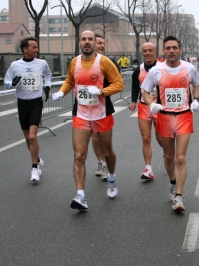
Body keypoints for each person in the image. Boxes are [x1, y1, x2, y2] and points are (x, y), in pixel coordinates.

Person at [52, 30, 124, 210]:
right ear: (79, 43)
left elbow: (119, 84)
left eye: (90, 39)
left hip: (101, 114)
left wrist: (101, 92)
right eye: (83, 39)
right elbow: (70, 80)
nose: (86, 42)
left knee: (107, 153)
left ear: (94, 43)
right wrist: (62, 91)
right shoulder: (74, 62)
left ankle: (112, 177)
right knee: (79, 155)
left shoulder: (104, 62)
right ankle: (80, 195)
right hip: (81, 114)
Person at [141, 35, 199, 212]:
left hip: (183, 116)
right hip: (165, 117)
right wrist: (151, 103)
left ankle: (179, 197)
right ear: (164, 51)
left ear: (180, 50)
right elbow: (144, 90)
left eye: (175, 48)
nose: (172, 51)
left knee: (180, 157)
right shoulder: (156, 71)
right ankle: (173, 182)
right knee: (168, 156)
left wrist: (195, 99)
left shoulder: (189, 68)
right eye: (168, 48)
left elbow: (196, 84)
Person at [4, 36, 52, 182]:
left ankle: (34, 168)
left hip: (36, 102)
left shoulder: (42, 63)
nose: (36, 50)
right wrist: (13, 82)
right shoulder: (15, 65)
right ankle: (37, 159)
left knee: (32, 136)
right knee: (27, 137)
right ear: (25, 49)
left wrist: (47, 86)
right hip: (22, 103)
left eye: (37, 47)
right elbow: (6, 82)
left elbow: (48, 75)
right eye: (34, 47)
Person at [87, 33, 122, 180]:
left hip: (103, 104)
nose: (102, 45)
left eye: (103, 43)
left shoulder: (109, 61)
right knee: (94, 137)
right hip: (86, 105)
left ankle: (108, 163)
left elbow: (118, 81)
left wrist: (102, 90)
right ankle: (101, 162)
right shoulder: (82, 61)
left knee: (104, 139)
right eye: (99, 43)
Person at [128, 42, 163, 180]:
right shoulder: (139, 70)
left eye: (150, 50)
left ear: (155, 52)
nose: (147, 53)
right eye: (145, 51)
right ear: (142, 53)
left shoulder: (162, 68)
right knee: (145, 138)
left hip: (159, 107)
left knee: (161, 139)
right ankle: (148, 169)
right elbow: (135, 86)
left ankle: (167, 152)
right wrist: (133, 101)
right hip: (144, 107)